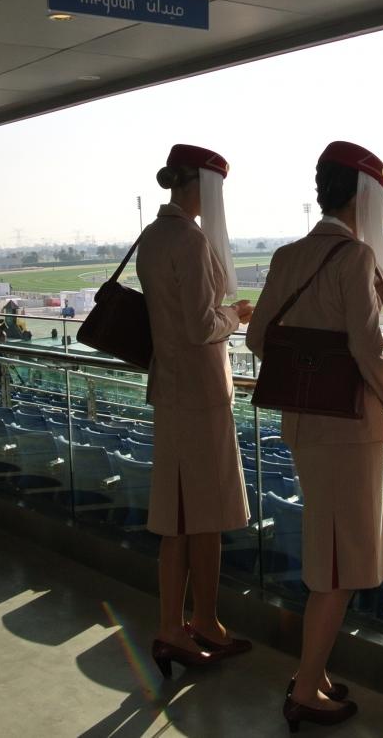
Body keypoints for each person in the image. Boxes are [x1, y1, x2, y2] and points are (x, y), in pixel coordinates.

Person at [246, 140, 383, 731]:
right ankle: (306, 687)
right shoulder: (356, 258)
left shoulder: (288, 256)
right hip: (351, 432)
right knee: (340, 563)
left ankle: (315, 670)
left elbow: (258, 336)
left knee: (329, 552)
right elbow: (367, 346)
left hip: (305, 426)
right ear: (363, 197)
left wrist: (306, 367)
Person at [135, 143, 254, 676]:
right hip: (200, 396)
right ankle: (196, 622)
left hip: (170, 389)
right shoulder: (190, 239)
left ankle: (180, 623)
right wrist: (236, 314)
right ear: (202, 185)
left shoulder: (153, 236)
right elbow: (202, 325)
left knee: (178, 518)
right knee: (204, 517)